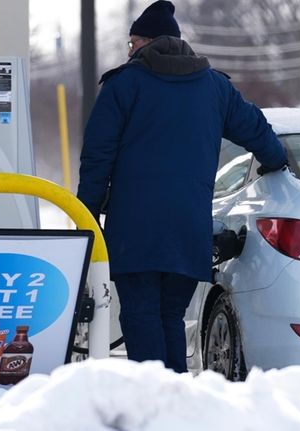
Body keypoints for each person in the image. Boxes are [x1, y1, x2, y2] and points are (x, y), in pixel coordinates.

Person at [76, 0, 288, 373]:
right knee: (171, 315)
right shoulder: (214, 88)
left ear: (144, 42)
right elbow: (255, 128)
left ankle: (154, 400)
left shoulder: (124, 85)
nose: (129, 50)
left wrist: (86, 215)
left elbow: (97, 157)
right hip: (189, 227)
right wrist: (276, 160)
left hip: (134, 228)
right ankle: (174, 396)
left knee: (141, 315)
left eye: (132, 43)